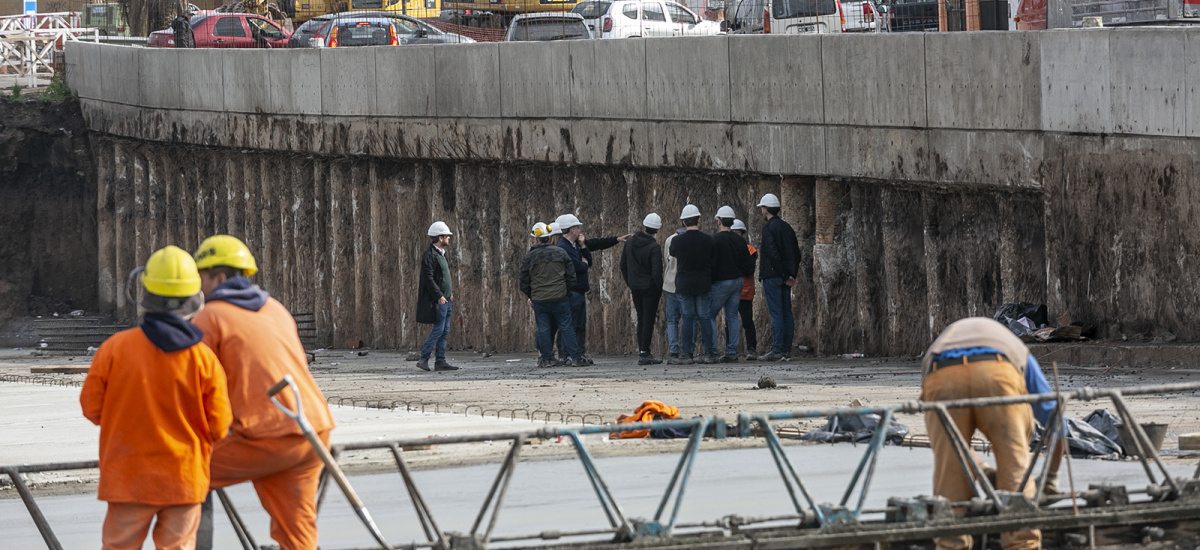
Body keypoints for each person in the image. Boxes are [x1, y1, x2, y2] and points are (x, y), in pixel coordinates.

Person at [81, 246, 232, 550]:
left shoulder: (114, 349)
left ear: (145, 294)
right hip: (183, 480)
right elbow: (219, 426)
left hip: (127, 479)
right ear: (196, 299)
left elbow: (91, 408)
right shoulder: (204, 359)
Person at [190, 235, 336, 550]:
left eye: (201, 277)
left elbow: (192, 388)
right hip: (312, 433)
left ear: (219, 277)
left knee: (184, 474)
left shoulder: (210, 317)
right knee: (296, 535)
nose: (199, 286)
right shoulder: (276, 309)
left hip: (265, 436)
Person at [921, 317, 1042, 550]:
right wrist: (1053, 474)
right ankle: (1021, 543)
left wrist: (979, 469)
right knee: (1016, 465)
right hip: (998, 373)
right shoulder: (1014, 346)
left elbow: (951, 445)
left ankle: (950, 543)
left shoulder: (941, 342)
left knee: (950, 469)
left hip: (942, 375)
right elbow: (1051, 413)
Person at [554, 213, 631, 363]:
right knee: (571, 324)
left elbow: (590, 257)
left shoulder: (575, 245)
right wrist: (583, 262)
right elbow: (579, 266)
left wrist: (614, 240)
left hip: (580, 290)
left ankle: (578, 353)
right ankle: (567, 354)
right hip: (572, 291)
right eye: (577, 227)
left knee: (580, 324)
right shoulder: (563, 247)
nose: (579, 230)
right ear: (572, 230)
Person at [520, 222, 586, 368]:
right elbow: (571, 276)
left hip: (540, 299)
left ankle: (546, 359)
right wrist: (566, 293)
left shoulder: (529, 257)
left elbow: (523, 281)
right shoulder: (561, 253)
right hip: (560, 298)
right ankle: (575, 358)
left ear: (536, 239)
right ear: (549, 237)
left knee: (543, 328)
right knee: (567, 327)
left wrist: (531, 295)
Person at [668, 204, 716, 365]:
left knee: (687, 318)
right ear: (699, 220)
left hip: (684, 284)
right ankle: (709, 353)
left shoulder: (677, 241)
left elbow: (672, 253)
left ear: (683, 222)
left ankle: (686, 354)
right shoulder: (709, 240)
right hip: (703, 283)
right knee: (705, 318)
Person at [756, 193, 801, 362]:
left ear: (766, 210)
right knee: (786, 313)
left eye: (762, 207)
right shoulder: (787, 228)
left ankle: (777, 349)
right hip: (785, 276)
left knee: (776, 313)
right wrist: (790, 275)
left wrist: (782, 274)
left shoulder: (768, 229)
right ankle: (786, 349)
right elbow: (797, 253)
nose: (761, 210)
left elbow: (772, 254)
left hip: (773, 276)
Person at [707, 206, 754, 363]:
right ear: (732, 222)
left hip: (722, 283)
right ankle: (732, 352)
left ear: (719, 221)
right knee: (732, 316)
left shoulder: (714, 240)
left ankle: (712, 352)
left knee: (709, 315)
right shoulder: (740, 241)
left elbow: (711, 264)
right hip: (738, 282)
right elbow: (749, 265)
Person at [620, 213, 664, 365]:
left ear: (644, 226)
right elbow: (657, 271)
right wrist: (658, 289)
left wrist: (630, 282)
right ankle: (645, 352)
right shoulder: (654, 247)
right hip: (650, 288)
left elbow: (623, 265)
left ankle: (642, 350)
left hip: (635, 286)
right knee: (648, 319)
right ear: (657, 230)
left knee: (641, 319)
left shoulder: (630, 242)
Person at [417, 221, 458, 371]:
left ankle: (440, 360)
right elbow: (428, 278)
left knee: (444, 330)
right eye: (447, 236)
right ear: (440, 238)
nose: (449, 238)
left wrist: (449, 294)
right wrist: (439, 296)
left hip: (447, 300)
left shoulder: (441, 254)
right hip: (440, 300)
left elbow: (443, 277)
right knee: (439, 329)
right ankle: (424, 358)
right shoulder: (430, 255)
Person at [732, 219, 759, 360]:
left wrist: (733, 269)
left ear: (742, 234)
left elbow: (749, 269)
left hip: (745, 291)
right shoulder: (729, 249)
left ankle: (751, 349)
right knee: (730, 322)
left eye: (737, 233)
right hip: (732, 291)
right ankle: (731, 350)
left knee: (747, 321)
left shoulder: (749, 250)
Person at [662, 222, 687, 362]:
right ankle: (686, 350)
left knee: (672, 320)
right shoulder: (693, 239)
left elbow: (667, 259)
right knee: (688, 318)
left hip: (671, 283)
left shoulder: (670, 239)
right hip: (686, 285)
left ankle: (673, 351)